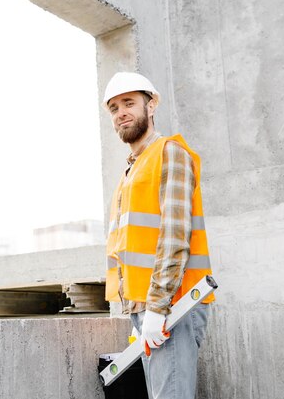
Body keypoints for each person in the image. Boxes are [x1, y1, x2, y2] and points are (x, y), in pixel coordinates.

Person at [103, 72, 215, 399]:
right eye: (113, 108)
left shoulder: (169, 153)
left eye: (129, 103)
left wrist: (157, 307)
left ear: (150, 106)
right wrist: (141, 311)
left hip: (170, 306)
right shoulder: (131, 170)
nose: (121, 112)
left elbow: (174, 235)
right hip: (147, 308)